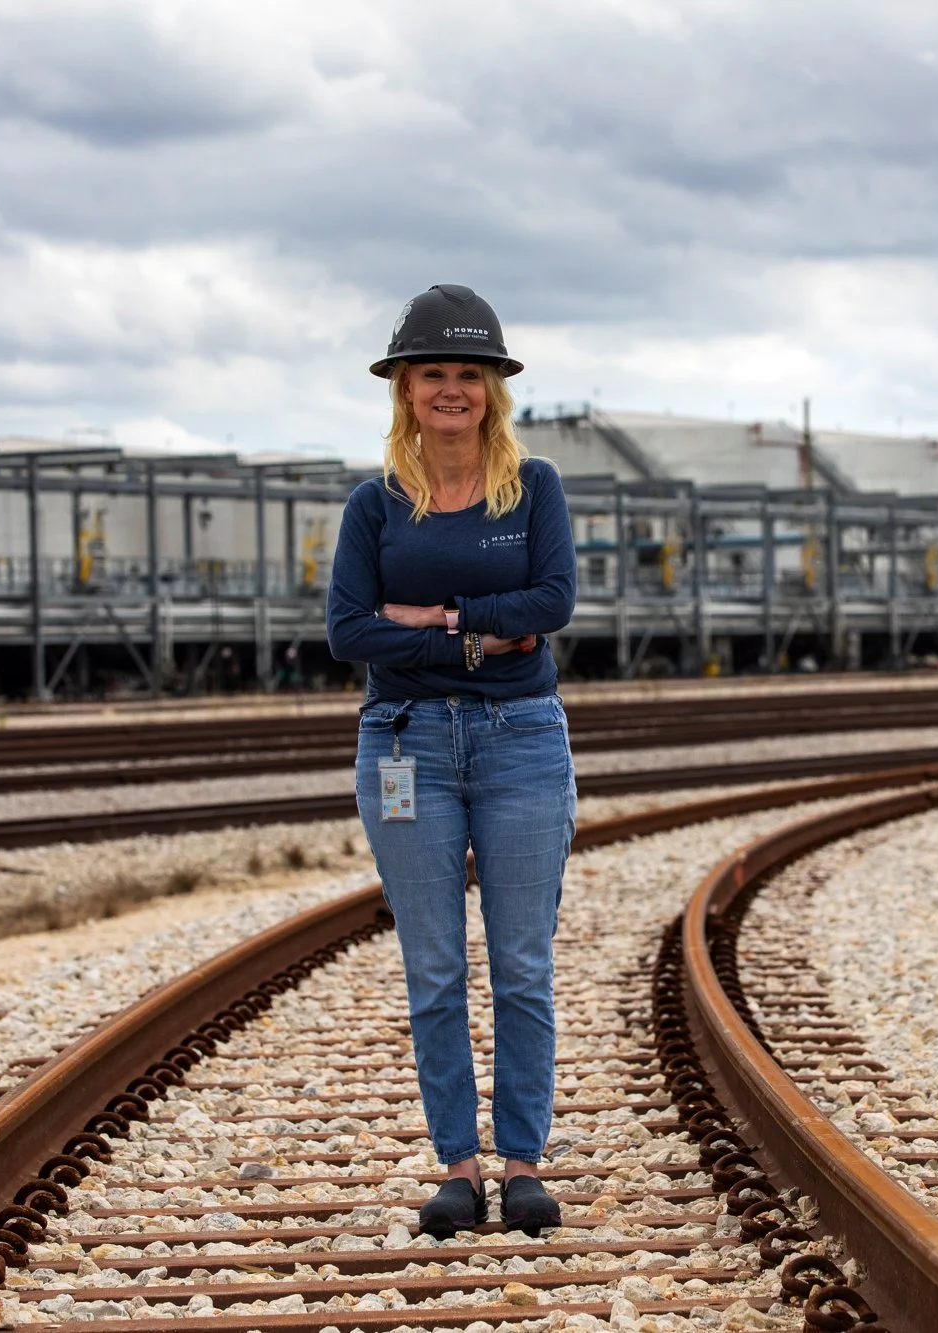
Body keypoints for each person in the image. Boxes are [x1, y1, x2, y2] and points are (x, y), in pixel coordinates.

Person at [326, 284, 578, 1238]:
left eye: (467, 374)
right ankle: (458, 1169)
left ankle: (521, 1165)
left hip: (522, 745)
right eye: (432, 372)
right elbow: (349, 629)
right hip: (406, 745)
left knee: (521, 964)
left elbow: (551, 602)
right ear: (404, 387)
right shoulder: (375, 504)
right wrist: (474, 633)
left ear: (492, 388)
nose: (451, 389)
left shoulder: (534, 487)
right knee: (433, 968)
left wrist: (428, 622)